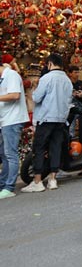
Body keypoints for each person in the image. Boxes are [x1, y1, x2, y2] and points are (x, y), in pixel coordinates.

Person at [22, 53, 73, 193]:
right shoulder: (67, 80)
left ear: (50, 64)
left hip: (45, 118)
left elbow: (37, 98)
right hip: (60, 119)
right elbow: (69, 101)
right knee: (55, 148)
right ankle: (52, 179)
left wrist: (33, 90)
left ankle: (37, 181)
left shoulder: (46, 78)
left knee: (39, 148)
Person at [0, 57, 30, 199]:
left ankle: (9, 187)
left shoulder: (11, 75)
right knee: (4, 154)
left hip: (13, 120)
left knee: (10, 154)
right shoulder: (4, 77)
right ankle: (3, 184)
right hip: (5, 120)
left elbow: (15, 95)